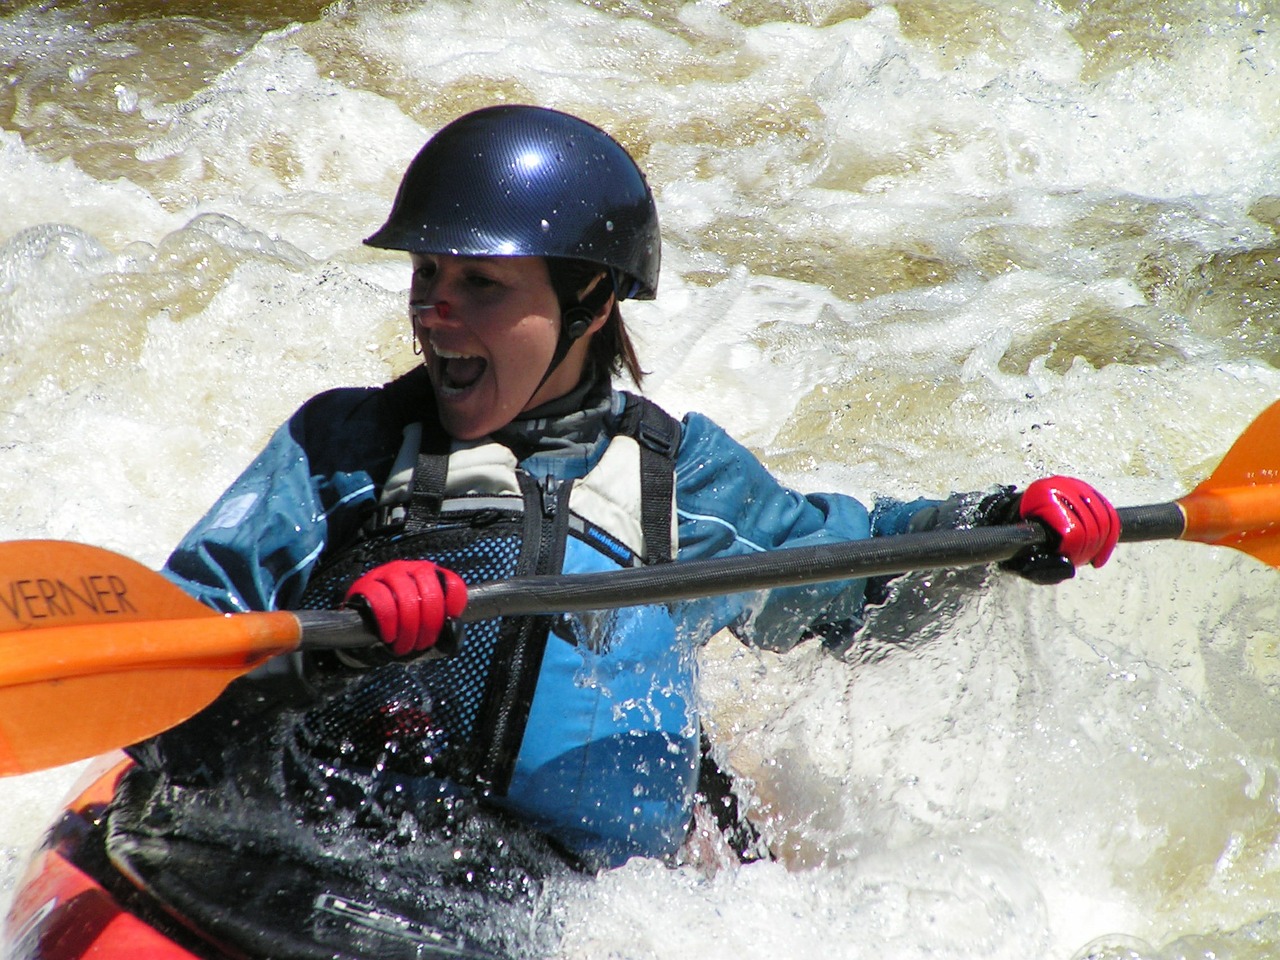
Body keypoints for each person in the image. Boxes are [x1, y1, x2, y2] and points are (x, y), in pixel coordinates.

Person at [112, 105, 1120, 959]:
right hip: (305, 855)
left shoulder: (680, 487)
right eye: (428, 276)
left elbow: (858, 578)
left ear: (589, 301)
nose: (435, 314)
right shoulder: (344, 448)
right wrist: (324, 653)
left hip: (565, 905)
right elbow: (168, 655)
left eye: (481, 286)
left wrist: (997, 530)